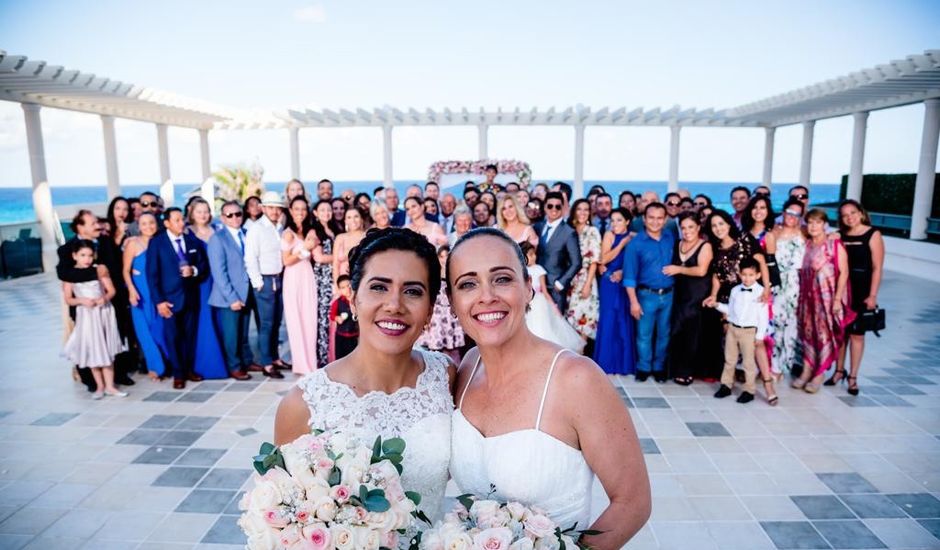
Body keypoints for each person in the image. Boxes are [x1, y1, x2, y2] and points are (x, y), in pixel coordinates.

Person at [447, 228, 651, 547]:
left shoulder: (577, 379)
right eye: (468, 284)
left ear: (529, 287)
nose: (486, 296)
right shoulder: (468, 367)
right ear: (452, 301)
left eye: (502, 279)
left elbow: (632, 502)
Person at [274, 227, 454, 525]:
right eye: (379, 287)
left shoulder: (445, 376)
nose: (394, 305)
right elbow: (285, 519)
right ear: (354, 298)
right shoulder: (303, 404)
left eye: (412, 291)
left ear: (430, 310)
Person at [146, 208, 209, 389]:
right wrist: (159, 301)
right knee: (172, 337)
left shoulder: (191, 240)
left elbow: (203, 266)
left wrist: (194, 271)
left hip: (190, 298)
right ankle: (178, 373)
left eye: (182, 219)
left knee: (189, 336)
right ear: (166, 223)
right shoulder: (157, 243)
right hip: (169, 300)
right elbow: (152, 276)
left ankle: (189, 369)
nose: (182, 223)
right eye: (177, 220)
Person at [793, 209, 855, 393]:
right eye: (810, 222)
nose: (813, 226)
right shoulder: (807, 244)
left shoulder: (834, 243)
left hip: (827, 298)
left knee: (824, 335)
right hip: (808, 298)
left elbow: (844, 272)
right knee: (807, 333)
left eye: (817, 222)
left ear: (824, 225)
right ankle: (806, 370)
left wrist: (837, 300)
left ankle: (819, 374)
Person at [829, 199, 883, 396]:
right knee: (841, 334)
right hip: (842, 288)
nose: (849, 217)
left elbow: (877, 268)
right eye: (844, 215)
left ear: (860, 213)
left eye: (852, 212)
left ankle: (853, 377)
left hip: (862, 289)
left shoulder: (873, 234)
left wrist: (873, 295)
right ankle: (838, 371)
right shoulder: (840, 235)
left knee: (857, 335)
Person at [61, 240, 128, 399]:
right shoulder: (70, 275)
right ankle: (100, 386)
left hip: (103, 312)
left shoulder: (99, 270)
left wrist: (103, 299)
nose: (87, 259)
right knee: (93, 348)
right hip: (87, 315)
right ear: (74, 256)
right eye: (83, 255)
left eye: (90, 255)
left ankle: (110, 386)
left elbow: (111, 290)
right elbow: (68, 299)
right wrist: (82, 301)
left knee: (106, 348)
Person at [707, 258, 773, 405]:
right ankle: (726, 385)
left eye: (751, 275)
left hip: (749, 332)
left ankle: (749, 390)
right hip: (733, 328)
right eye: (744, 274)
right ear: (739, 274)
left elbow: (763, 317)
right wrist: (716, 304)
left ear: (757, 275)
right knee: (729, 359)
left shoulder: (761, 292)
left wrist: (760, 336)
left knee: (748, 363)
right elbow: (730, 310)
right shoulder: (735, 290)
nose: (747, 278)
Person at [622, 202, 675, 383]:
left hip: (669, 294)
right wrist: (633, 301)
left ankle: (659, 368)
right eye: (651, 217)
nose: (655, 222)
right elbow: (629, 275)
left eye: (660, 218)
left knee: (664, 333)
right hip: (646, 295)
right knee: (644, 335)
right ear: (644, 219)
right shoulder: (635, 244)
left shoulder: (671, 237)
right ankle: (644, 367)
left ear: (665, 219)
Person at [206, 201, 256, 381]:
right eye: (230, 215)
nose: (235, 218)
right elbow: (219, 273)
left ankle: (246, 360)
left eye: (238, 214)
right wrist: (232, 298)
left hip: (247, 292)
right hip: (229, 297)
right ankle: (234, 366)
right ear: (223, 218)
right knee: (231, 335)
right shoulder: (217, 239)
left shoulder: (247, 234)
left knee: (243, 332)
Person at [663, 211, 714, 384]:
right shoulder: (677, 243)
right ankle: (674, 368)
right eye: (683, 228)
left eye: (690, 227)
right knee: (677, 332)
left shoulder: (705, 246)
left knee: (693, 335)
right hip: (679, 294)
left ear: (698, 227)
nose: (687, 231)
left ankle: (687, 371)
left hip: (697, 295)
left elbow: (701, 270)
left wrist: (678, 269)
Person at [244, 192, 289, 379]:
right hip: (265, 280)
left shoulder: (279, 227)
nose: (274, 211)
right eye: (271, 207)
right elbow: (250, 258)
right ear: (263, 208)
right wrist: (258, 283)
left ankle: (275, 358)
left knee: (277, 322)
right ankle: (267, 363)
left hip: (279, 278)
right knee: (266, 324)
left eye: (277, 207)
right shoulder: (256, 229)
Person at [185, 198, 228, 379]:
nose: (203, 215)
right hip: (199, 283)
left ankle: (225, 360)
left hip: (218, 280)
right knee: (204, 320)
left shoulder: (217, 230)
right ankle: (204, 364)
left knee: (219, 320)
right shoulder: (187, 233)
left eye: (206, 211)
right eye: (199, 211)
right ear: (192, 213)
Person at [123, 212, 167, 380]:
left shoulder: (162, 242)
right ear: (138, 226)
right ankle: (154, 367)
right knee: (144, 331)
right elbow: (125, 271)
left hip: (158, 292)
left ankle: (164, 363)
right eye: (144, 223)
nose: (148, 226)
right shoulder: (133, 244)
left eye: (151, 222)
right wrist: (131, 290)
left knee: (159, 329)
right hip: (140, 292)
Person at [519, 242, 585, 352]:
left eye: (534, 254)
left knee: (542, 329)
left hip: (539, 303)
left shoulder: (538, 269)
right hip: (525, 304)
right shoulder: (520, 271)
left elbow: (544, 291)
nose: (534, 256)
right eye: (530, 255)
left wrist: (554, 308)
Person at [281, 196, 322, 374]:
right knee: (295, 320)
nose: (300, 213)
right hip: (292, 277)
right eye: (296, 209)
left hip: (307, 276)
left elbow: (316, 246)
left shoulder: (309, 230)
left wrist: (309, 244)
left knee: (309, 318)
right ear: (290, 211)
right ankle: (301, 364)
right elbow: (286, 261)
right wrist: (304, 249)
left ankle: (311, 362)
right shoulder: (288, 233)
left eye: (303, 209)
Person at [593, 208, 635, 374]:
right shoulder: (609, 235)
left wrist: (624, 272)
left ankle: (624, 365)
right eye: (612, 220)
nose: (614, 224)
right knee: (609, 319)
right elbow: (604, 259)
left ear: (627, 222)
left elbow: (636, 261)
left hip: (625, 282)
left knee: (623, 320)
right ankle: (606, 363)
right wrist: (622, 244)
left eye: (619, 220)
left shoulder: (635, 237)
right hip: (609, 282)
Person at [771, 199, 807, 376]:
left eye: (797, 214)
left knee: (791, 324)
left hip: (795, 284)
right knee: (775, 322)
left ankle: (786, 364)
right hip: (776, 282)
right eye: (789, 212)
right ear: (783, 212)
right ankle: (773, 365)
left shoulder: (804, 234)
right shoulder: (774, 232)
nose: (792, 217)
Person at [417, 245, 465, 364]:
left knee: (452, 350)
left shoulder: (455, 273)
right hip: (436, 317)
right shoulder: (432, 274)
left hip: (450, 317)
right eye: (441, 256)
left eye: (447, 256)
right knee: (433, 350)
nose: (444, 259)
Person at [535, 192, 581, 312]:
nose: (554, 209)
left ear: (563, 208)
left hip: (555, 288)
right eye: (550, 206)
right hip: (536, 285)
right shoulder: (537, 227)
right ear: (545, 207)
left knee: (555, 326)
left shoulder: (569, 232)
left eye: (558, 206)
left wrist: (561, 283)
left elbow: (576, 262)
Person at [565, 199, 601, 343]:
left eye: (586, 209)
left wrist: (588, 284)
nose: (583, 213)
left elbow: (594, 261)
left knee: (584, 321)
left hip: (586, 279)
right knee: (569, 322)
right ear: (574, 211)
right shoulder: (569, 230)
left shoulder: (592, 231)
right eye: (579, 209)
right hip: (569, 279)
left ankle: (581, 359)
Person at [312, 200, 337, 367]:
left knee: (331, 316)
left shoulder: (335, 229)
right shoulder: (314, 231)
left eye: (329, 209)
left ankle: (331, 354)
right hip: (322, 279)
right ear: (315, 213)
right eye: (322, 210)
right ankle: (321, 357)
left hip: (332, 277)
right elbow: (318, 257)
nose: (326, 212)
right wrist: (341, 257)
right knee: (322, 317)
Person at [328, 274, 358, 360]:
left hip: (354, 335)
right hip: (341, 335)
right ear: (340, 290)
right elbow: (332, 315)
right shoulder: (338, 302)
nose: (347, 289)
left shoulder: (357, 300)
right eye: (343, 287)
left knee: (353, 357)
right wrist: (337, 318)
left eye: (349, 286)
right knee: (340, 357)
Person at [333, 207, 367, 281]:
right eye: (349, 217)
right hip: (343, 283)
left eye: (356, 216)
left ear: (361, 219)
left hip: (363, 280)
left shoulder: (368, 236)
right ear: (345, 221)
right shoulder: (340, 238)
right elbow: (335, 264)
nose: (353, 220)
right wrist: (336, 285)